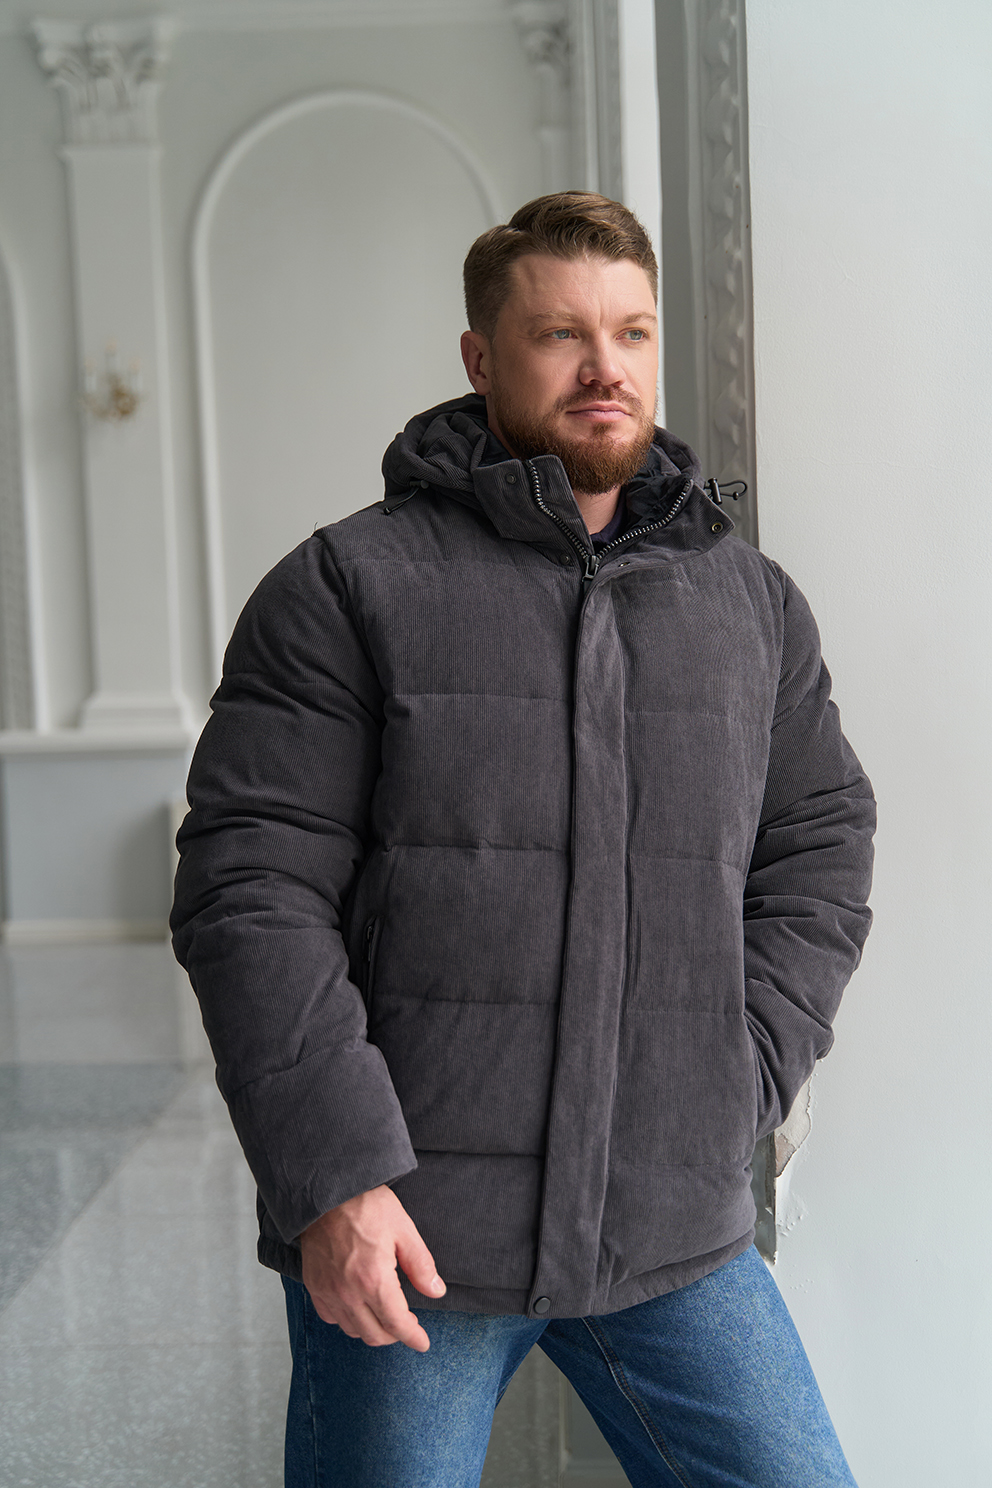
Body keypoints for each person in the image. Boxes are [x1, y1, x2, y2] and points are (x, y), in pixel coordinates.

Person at [171, 192, 875, 1488]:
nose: (606, 366)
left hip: (673, 1221)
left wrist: (745, 1067)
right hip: (414, 1229)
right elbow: (251, 889)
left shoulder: (748, 601)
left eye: (631, 332)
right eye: (561, 334)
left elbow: (822, 838)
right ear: (481, 359)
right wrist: (335, 1178)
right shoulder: (346, 588)